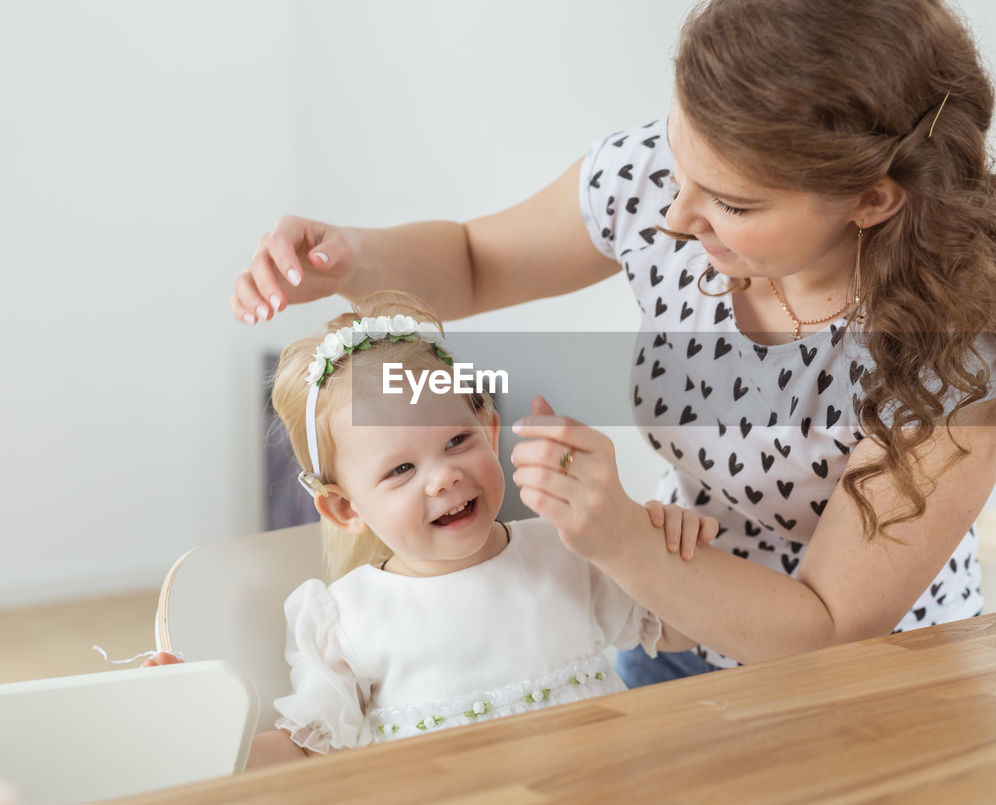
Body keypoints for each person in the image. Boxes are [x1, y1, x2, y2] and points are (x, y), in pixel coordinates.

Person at [228, 0, 996, 687]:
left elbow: (825, 625)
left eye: (731, 202)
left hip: (867, 688)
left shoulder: (952, 368)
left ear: (872, 200)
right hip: (662, 639)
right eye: (679, 158)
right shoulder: (660, 181)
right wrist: (348, 256)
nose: (675, 216)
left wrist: (620, 536)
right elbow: (477, 262)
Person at [149, 292, 710, 768]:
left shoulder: (566, 548)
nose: (444, 477)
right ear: (346, 509)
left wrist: (666, 550)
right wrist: (193, 728)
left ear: (490, 433)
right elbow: (307, 752)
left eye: (457, 441)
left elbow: (684, 636)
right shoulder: (348, 617)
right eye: (400, 470)